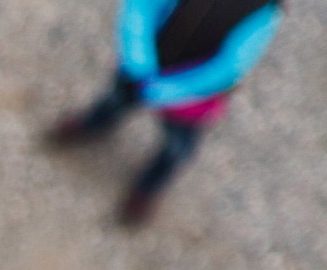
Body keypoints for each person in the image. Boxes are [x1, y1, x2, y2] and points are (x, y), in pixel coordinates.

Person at [46, 0, 284, 226]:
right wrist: (140, 64)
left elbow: (230, 66)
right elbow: (140, 9)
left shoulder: (264, 11)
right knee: (113, 102)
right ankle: (91, 125)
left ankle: (147, 189)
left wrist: (165, 90)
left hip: (190, 98)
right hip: (139, 73)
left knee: (176, 149)